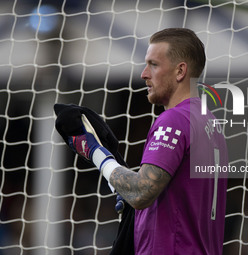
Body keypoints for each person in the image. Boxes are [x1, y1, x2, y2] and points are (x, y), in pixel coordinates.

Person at [66, 28, 228, 255]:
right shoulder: (210, 123)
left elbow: (141, 192)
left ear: (180, 71)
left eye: (153, 64)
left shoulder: (174, 120)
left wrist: (95, 152)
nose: (143, 74)